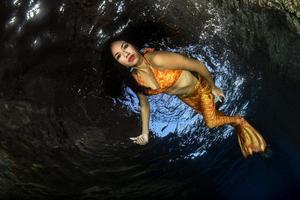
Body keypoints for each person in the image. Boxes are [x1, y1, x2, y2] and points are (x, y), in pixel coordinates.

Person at [110, 40, 267, 158]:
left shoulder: (157, 59)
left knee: (211, 122)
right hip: (186, 98)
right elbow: (144, 105)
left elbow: (196, 65)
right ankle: (242, 131)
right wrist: (145, 134)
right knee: (215, 114)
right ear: (120, 64)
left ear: (133, 46)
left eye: (125, 47)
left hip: (200, 86)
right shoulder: (136, 79)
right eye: (119, 56)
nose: (125, 54)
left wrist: (212, 86)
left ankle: (240, 121)